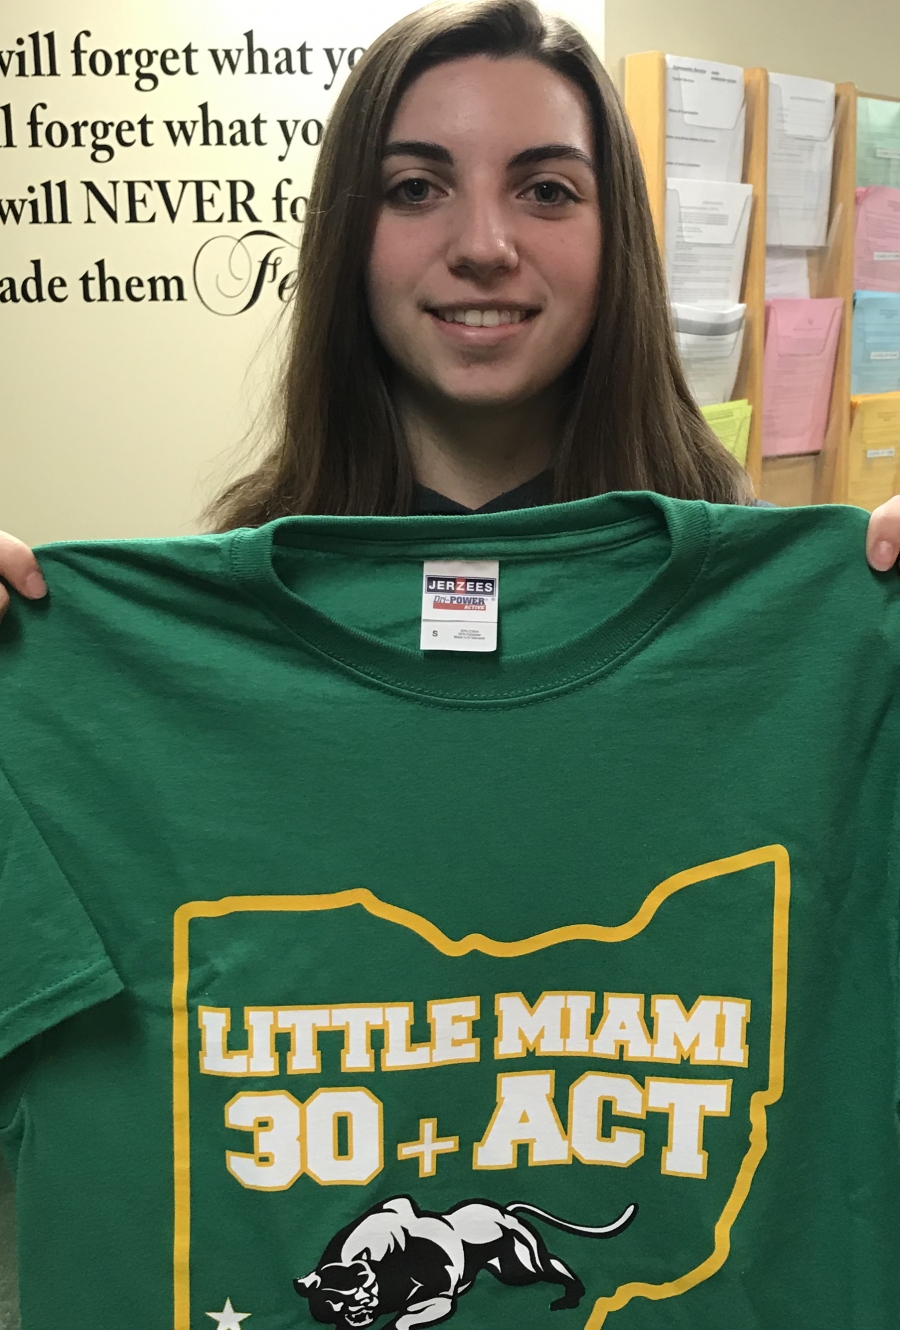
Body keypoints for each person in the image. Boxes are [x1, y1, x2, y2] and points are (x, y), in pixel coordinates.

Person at [2, 0, 899, 618]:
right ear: (349, 234)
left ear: (615, 236)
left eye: (546, 190)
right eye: (417, 187)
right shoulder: (239, 601)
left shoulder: (768, 599)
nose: (482, 245)